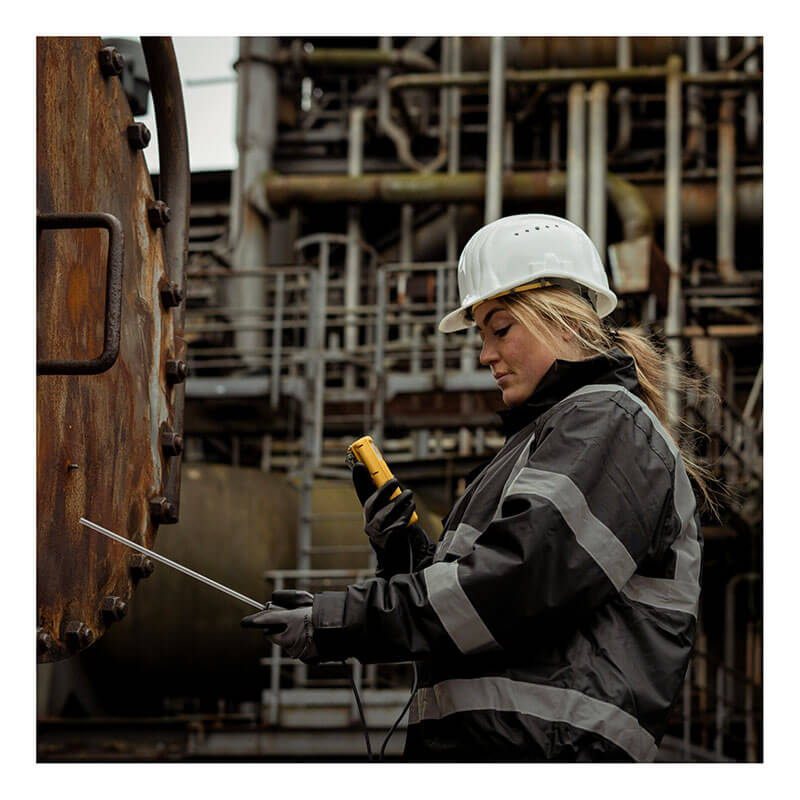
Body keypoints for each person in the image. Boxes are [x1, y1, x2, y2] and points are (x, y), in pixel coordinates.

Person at [242, 213, 705, 762]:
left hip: (548, 754)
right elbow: (487, 608)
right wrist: (407, 556)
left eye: (501, 328)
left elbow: (515, 586)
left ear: (562, 318)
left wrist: (343, 620)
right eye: (482, 335)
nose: (485, 355)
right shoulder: (549, 437)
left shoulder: (605, 421)